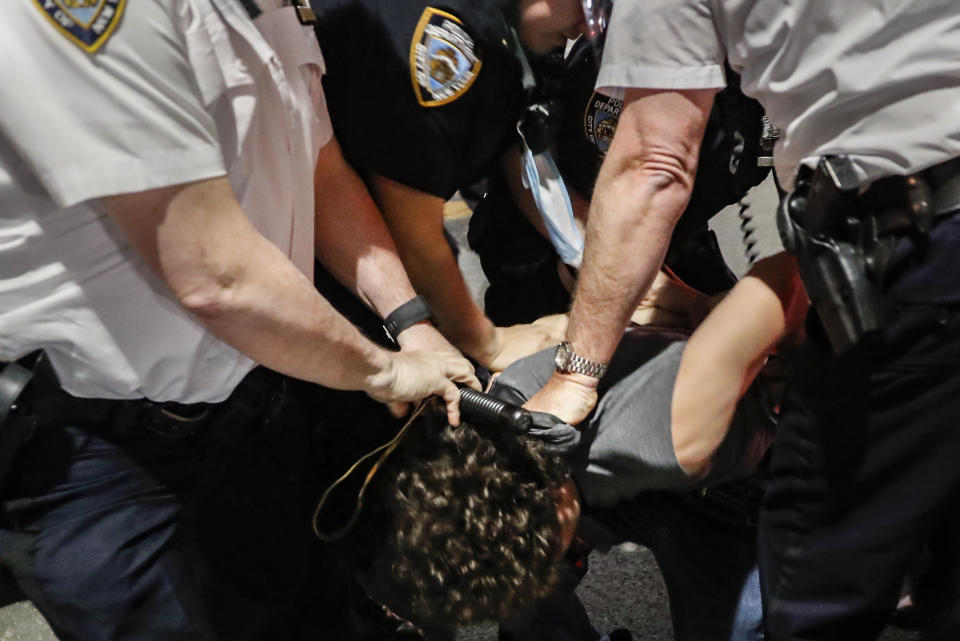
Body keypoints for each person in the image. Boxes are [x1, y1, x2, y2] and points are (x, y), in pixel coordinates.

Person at [0, 1, 478, 639]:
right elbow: (216, 276)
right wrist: (384, 372)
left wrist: (410, 320)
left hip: (250, 405)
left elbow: (317, 164)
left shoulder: (272, 8)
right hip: (100, 447)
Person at [525, 1, 960, 639]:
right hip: (921, 225)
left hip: (919, 243)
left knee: (809, 594)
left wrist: (579, 371)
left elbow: (657, 163)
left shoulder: (654, 438)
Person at [337, 252, 804, 639]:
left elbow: (784, 279)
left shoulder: (670, 433)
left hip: (741, 476)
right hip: (634, 474)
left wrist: (712, 321)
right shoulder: (509, 399)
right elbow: (557, 330)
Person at [305, 0, 569, 372]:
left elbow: (521, 135)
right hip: (342, 250)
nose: (588, 29)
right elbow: (412, 234)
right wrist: (486, 342)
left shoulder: (514, 25)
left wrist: (584, 255)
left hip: (374, 226)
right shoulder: (440, 39)